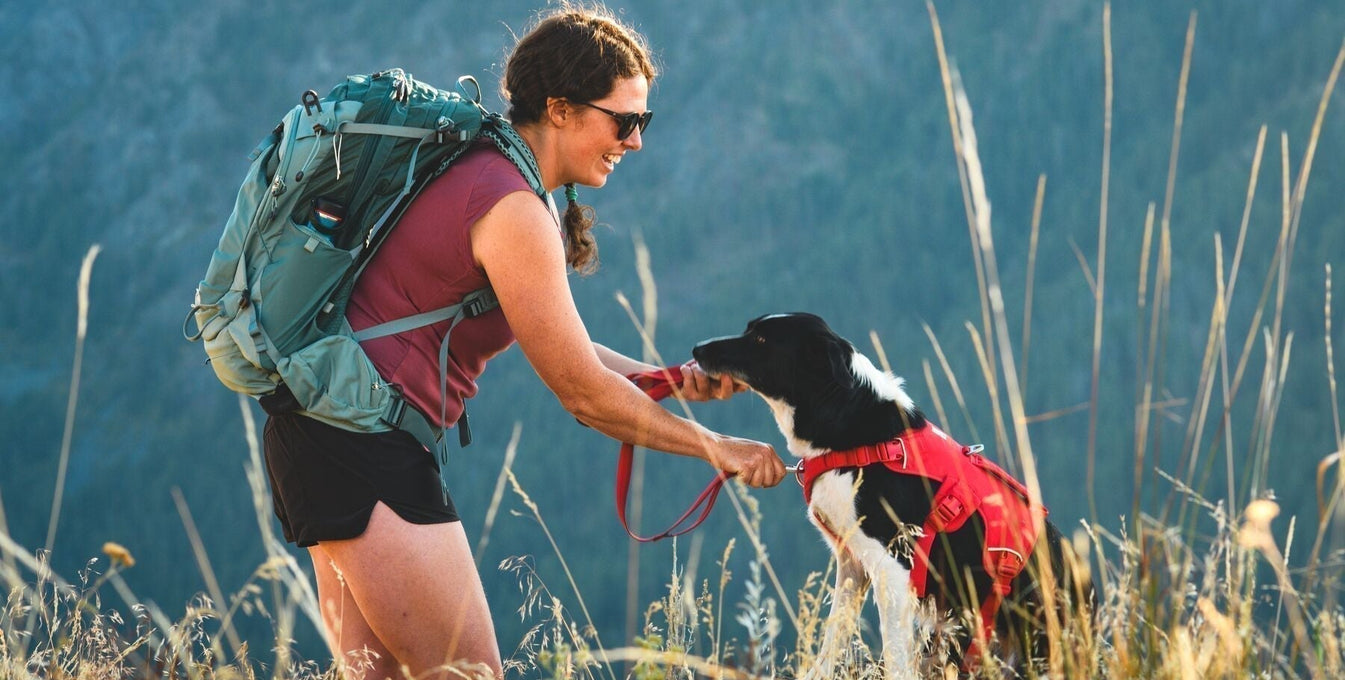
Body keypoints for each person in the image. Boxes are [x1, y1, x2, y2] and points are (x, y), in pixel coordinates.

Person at [260, 4, 787, 678]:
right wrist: (717, 450)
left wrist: (665, 378)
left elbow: (564, 345)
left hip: (321, 434)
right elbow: (580, 393)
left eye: (643, 122)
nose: (636, 141)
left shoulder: (488, 173)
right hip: (363, 448)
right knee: (467, 673)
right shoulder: (510, 205)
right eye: (624, 121)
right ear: (561, 109)